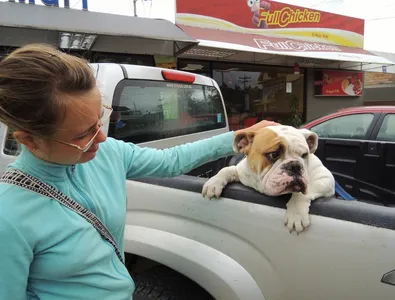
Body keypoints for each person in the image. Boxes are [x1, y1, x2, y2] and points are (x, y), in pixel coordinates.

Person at [0, 44, 278, 300]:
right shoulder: (8, 217)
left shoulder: (106, 154)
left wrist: (243, 136)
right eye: (84, 134)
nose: (101, 138)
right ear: (29, 140)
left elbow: (171, 160)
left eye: (101, 119)